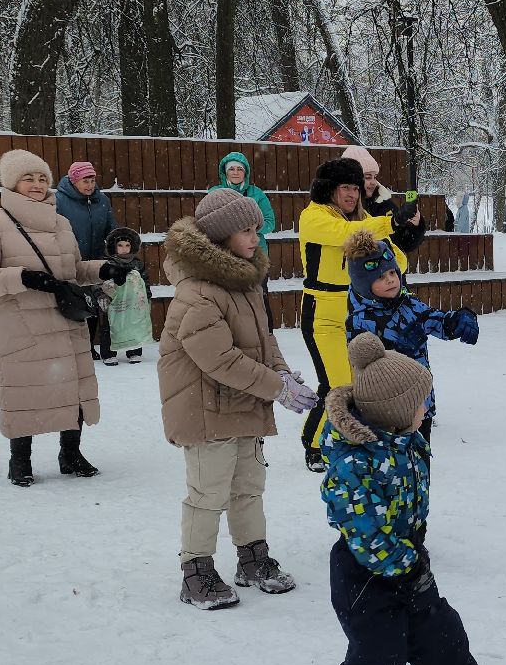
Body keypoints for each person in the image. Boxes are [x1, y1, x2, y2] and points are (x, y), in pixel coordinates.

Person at [315, 332, 506, 665]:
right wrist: (400, 562)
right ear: (395, 412)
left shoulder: (404, 439)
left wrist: (411, 557)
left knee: (438, 628)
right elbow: (362, 530)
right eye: (422, 402)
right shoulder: (354, 462)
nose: (427, 409)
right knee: (379, 652)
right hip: (364, 572)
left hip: (406, 556)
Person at [157, 188, 320, 610]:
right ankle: (196, 571)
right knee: (208, 492)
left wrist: (282, 372)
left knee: (249, 487)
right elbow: (220, 359)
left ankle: (253, 558)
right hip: (205, 410)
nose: (254, 238)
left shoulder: (244, 281)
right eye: (246, 231)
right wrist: (276, 388)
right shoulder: (196, 292)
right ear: (220, 236)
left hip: (243, 403)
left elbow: (263, 339)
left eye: (257, 230)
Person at [0, 149, 108, 487]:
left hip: (65, 321)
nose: (37, 184)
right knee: (23, 393)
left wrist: (104, 268)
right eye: (28, 177)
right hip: (21, 327)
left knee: (72, 388)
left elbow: (73, 272)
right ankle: (20, 460)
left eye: (42, 177)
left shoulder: (61, 222)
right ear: (11, 183)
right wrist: (22, 277)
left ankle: (70, 454)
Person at [297, 156, 423, 472]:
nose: (352, 194)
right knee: (336, 382)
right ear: (329, 190)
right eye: (345, 188)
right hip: (321, 312)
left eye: (356, 187)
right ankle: (314, 443)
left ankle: (346, 440)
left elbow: (399, 263)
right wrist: (389, 223)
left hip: (356, 311)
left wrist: (398, 241)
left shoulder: (365, 219)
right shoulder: (313, 217)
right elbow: (346, 233)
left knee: (359, 382)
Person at [342, 230, 478, 444]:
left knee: (420, 465)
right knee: (396, 471)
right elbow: (363, 362)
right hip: (386, 412)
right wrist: (398, 349)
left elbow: (435, 320)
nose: (390, 281)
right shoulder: (360, 320)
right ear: (362, 284)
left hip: (420, 404)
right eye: (380, 277)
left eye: (392, 274)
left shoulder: (409, 304)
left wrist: (459, 319)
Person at [55, 160, 116, 359]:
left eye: (92, 180)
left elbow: (111, 228)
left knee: (95, 305)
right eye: (85, 181)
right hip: (71, 261)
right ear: (74, 181)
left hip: (97, 260)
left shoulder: (102, 200)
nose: (90, 185)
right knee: (78, 304)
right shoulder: (59, 201)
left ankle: (89, 345)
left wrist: (118, 247)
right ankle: (79, 347)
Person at [99, 227, 152, 365]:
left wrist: (147, 296)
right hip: (113, 301)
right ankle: (108, 353)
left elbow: (144, 281)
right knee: (109, 326)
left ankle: (134, 352)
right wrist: (100, 295)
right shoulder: (107, 263)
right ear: (114, 246)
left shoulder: (137, 264)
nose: (124, 248)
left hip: (133, 302)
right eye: (120, 245)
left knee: (133, 324)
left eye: (127, 245)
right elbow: (98, 281)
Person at [211, 151, 275, 236]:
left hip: (254, 245)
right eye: (231, 169)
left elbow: (270, 223)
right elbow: (209, 223)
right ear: (225, 173)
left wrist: (250, 226)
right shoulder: (215, 193)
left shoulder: (256, 193)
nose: (235, 173)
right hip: (225, 246)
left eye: (240, 169)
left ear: (245, 173)